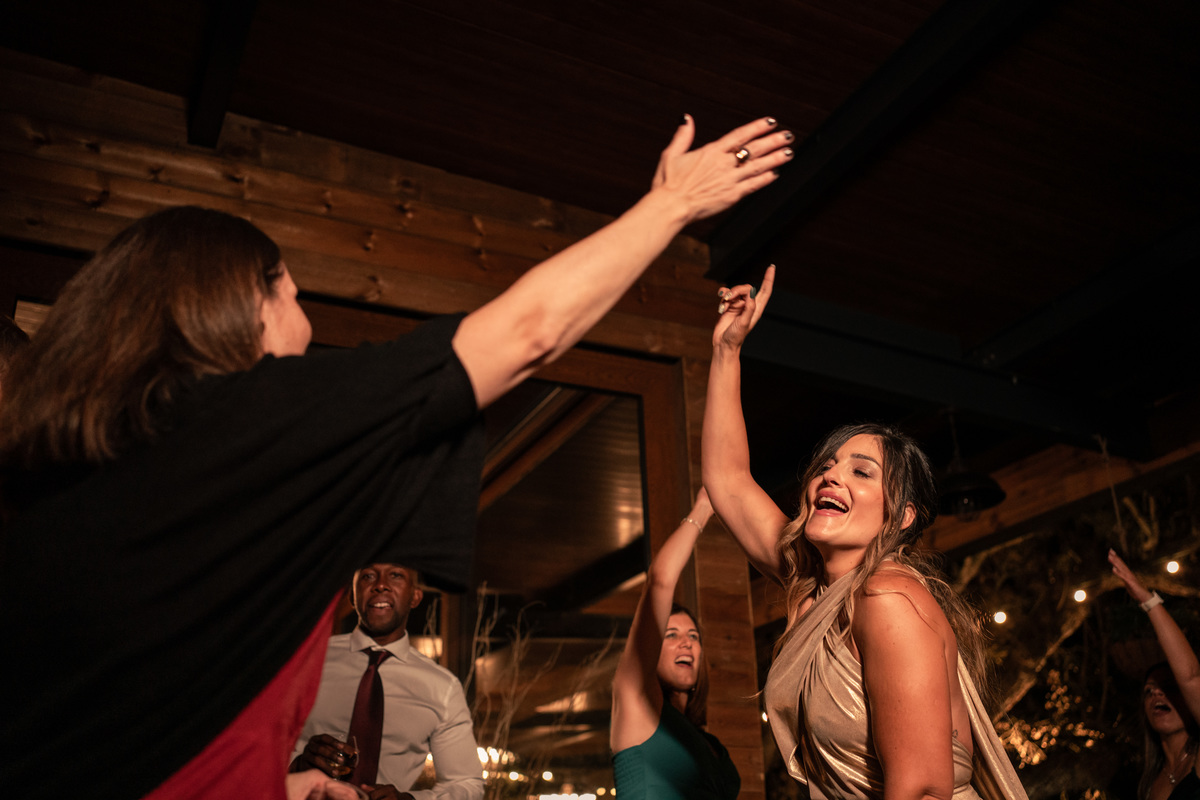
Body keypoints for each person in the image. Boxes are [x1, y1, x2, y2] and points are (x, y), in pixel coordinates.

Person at [0, 115, 794, 800]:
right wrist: (672, 204)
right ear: (241, 308)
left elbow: (133, 717)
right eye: (293, 292)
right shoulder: (249, 421)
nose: (305, 318)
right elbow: (527, 332)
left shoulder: (103, 478)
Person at [700, 265, 1026, 800]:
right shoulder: (816, 588)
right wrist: (727, 351)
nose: (832, 475)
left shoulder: (887, 598)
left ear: (902, 517)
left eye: (862, 471)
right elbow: (727, 480)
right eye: (827, 465)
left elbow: (921, 790)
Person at [291, 563, 484, 800]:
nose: (380, 585)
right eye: (368, 576)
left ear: (415, 597)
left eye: (395, 575)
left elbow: (466, 783)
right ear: (352, 596)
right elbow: (257, 742)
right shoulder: (307, 662)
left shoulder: (443, 688)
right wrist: (296, 765)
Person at [611, 488, 740, 800]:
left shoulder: (707, 741)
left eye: (693, 636)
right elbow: (660, 581)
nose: (686, 643)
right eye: (671, 635)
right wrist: (703, 508)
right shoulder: (635, 703)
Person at [1109, 549, 1200, 800]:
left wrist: (1148, 601)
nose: (1156, 693)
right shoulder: (1148, 785)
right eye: (1149, 691)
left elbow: (1191, 677)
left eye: (1169, 687)